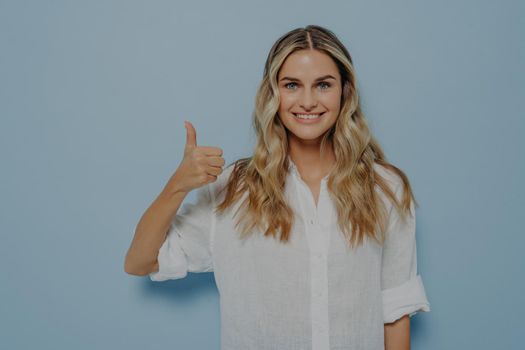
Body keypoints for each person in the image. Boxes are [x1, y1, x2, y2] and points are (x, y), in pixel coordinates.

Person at [124, 24, 430, 350]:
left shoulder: (386, 189)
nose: (308, 101)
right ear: (273, 94)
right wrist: (177, 186)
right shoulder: (232, 190)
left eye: (323, 85)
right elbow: (140, 262)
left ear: (345, 92)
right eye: (292, 85)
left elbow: (396, 312)